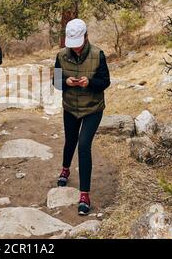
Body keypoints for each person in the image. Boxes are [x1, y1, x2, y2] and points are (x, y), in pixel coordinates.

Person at [53, 18, 111, 215]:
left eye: (79, 45)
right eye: (73, 46)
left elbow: (105, 81)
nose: (76, 49)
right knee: (70, 140)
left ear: (86, 37)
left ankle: (84, 195)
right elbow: (56, 81)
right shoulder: (61, 55)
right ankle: (65, 169)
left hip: (93, 108)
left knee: (84, 144)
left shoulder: (98, 54)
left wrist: (90, 82)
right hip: (70, 106)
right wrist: (66, 81)